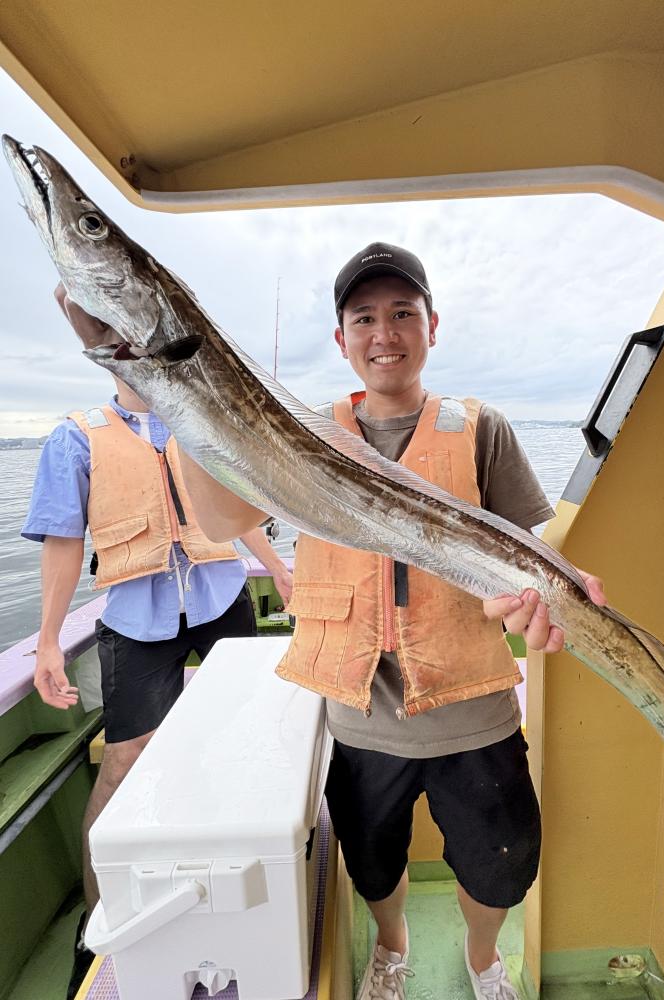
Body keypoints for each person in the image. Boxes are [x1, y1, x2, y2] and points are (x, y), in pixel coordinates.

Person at [178, 242, 606, 1000]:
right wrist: (176, 403)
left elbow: (523, 554)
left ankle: (484, 959)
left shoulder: (482, 429)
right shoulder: (303, 432)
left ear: (433, 326)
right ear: (341, 338)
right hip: (361, 714)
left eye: (403, 313)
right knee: (373, 863)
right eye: (365, 318)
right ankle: (393, 946)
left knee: (500, 866)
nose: (385, 333)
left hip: (473, 709)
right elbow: (220, 522)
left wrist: (547, 597)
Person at [23, 287, 294, 999]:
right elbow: (62, 541)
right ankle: (97, 923)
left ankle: (251, 875)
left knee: (249, 742)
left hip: (219, 595)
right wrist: (48, 641)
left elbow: (237, 514)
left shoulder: (198, 423)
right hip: (135, 614)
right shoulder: (75, 437)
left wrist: (279, 570)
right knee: (124, 760)